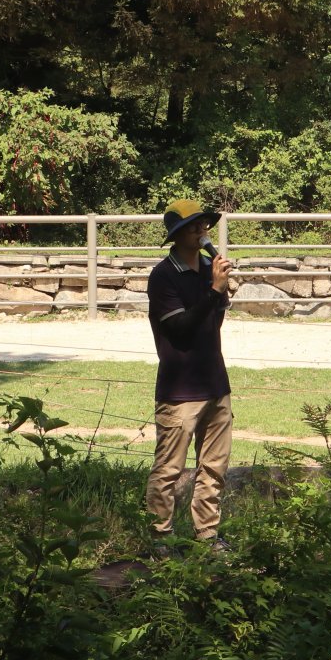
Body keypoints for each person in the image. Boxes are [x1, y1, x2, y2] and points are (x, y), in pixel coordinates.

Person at [144, 199, 235, 552]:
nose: (202, 232)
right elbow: (180, 330)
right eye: (194, 226)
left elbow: (214, 324)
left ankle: (207, 536)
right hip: (180, 389)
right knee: (169, 470)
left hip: (216, 383)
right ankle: (159, 538)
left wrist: (219, 291)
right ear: (177, 234)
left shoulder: (211, 268)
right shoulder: (163, 276)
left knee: (214, 468)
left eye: (204, 225)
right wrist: (214, 290)